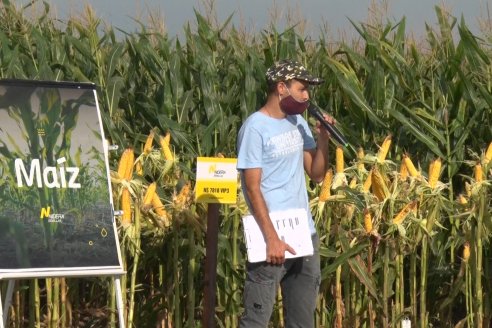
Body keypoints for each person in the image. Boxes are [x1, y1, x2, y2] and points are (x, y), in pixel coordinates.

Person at [236, 59, 334, 327]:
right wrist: (272, 238)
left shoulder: (298, 123)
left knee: (303, 321)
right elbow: (251, 187)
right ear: (282, 88)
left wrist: (324, 139)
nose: (307, 96)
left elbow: (316, 173)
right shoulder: (254, 128)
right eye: (302, 88)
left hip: (304, 235)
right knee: (256, 320)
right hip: (271, 240)